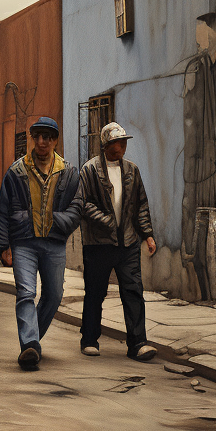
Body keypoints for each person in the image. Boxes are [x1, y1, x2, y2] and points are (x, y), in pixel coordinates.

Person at [0, 116, 81, 372]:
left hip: (54, 243)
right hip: (24, 243)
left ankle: (31, 342)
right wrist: (3, 246)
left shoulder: (69, 172)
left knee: (54, 295)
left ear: (55, 140)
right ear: (33, 139)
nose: (42, 141)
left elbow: (77, 207)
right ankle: (30, 342)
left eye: (48, 137)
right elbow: (3, 210)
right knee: (26, 293)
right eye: (38, 136)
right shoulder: (17, 171)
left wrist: (57, 221)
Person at [76, 122, 158, 361]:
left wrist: (148, 235)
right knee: (95, 293)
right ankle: (89, 339)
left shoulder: (132, 170)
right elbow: (82, 204)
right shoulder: (89, 170)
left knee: (133, 292)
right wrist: (106, 221)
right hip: (99, 244)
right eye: (116, 142)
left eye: (123, 142)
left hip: (128, 243)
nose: (121, 146)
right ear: (105, 145)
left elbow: (140, 204)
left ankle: (138, 343)